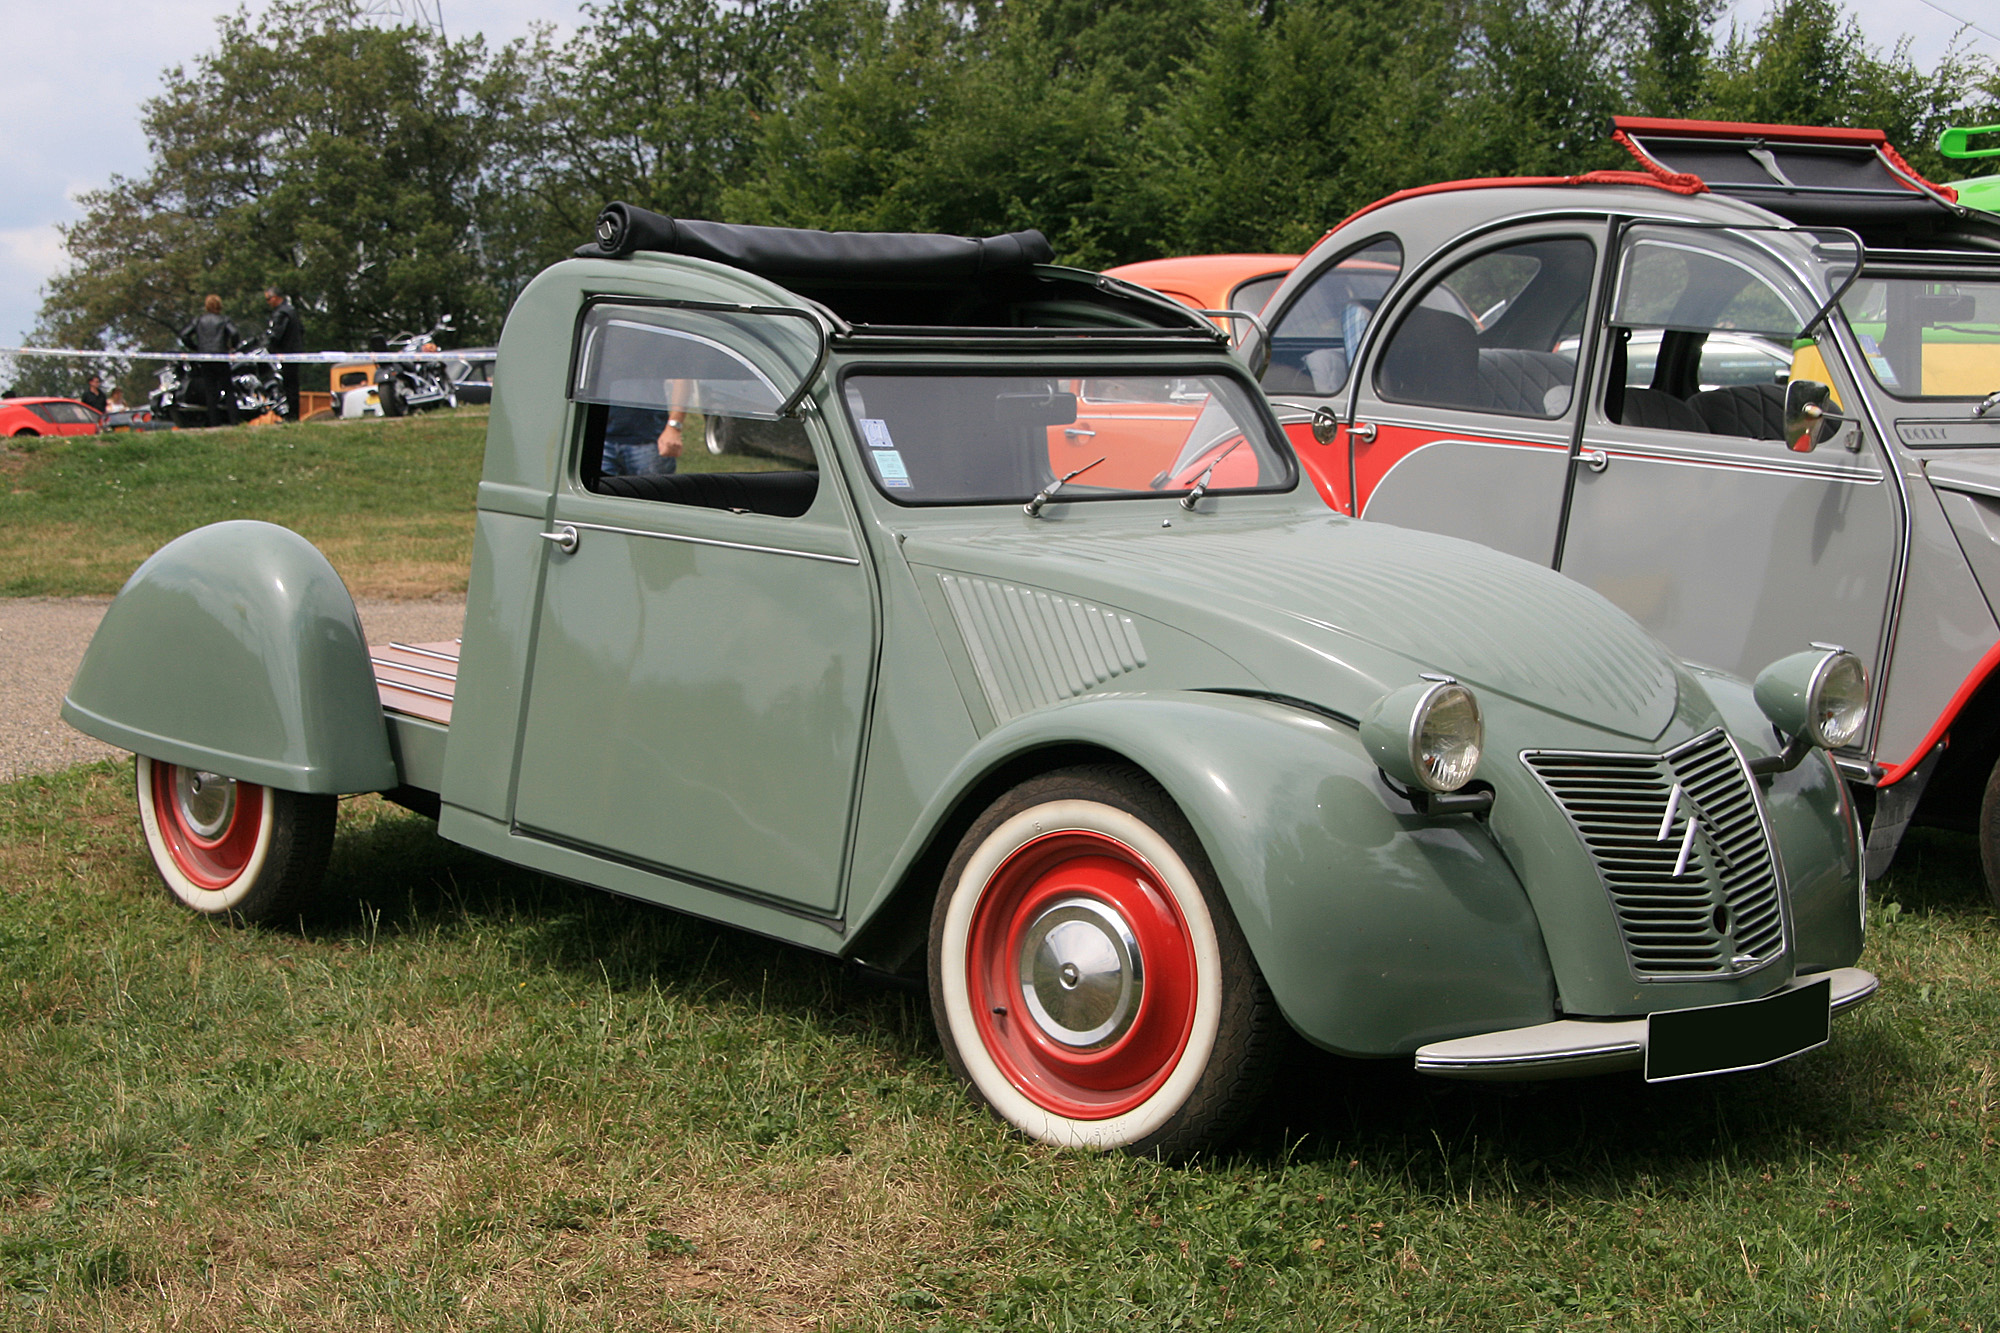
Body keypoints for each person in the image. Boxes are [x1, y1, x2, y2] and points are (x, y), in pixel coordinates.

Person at [179, 295, 241, 427]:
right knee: (228, 389)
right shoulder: (224, 320)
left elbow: (184, 335)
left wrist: (195, 348)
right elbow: (234, 333)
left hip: (205, 358)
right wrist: (232, 346)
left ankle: (214, 422)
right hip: (221, 357)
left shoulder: (199, 320)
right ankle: (235, 420)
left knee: (210, 391)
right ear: (220, 306)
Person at [600, 404, 686, 476]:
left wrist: (674, 426)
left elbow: (682, 383)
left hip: (649, 441)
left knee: (651, 493)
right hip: (604, 442)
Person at [265, 287, 304, 420]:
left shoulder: (281, 313)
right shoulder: (291, 311)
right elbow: (301, 329)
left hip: (286, 353)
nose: (268, 302)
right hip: (295, 351)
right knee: (293, 384)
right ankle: (294, 414)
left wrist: (270, 347)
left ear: (276, 297)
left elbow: (276, 334)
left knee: (288, 385)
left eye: (268, 299)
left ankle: (291, 415)